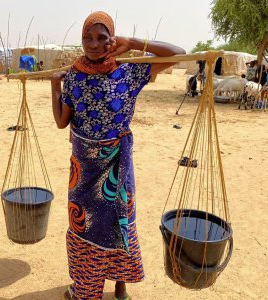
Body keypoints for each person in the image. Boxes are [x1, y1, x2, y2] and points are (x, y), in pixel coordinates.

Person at [51, 11, 185, 300]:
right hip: (83, 169)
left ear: (113, 38)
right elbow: (62, 121)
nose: (94, 44)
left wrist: (135, 42)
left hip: (117, 167)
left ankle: (120, 286)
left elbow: (179, 53)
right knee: (84, 225)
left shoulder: (129, 70)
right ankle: (85, 289)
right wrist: (55, 84)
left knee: (119, 221)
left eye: (102, 37)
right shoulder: (74, 76)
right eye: (88, 37)